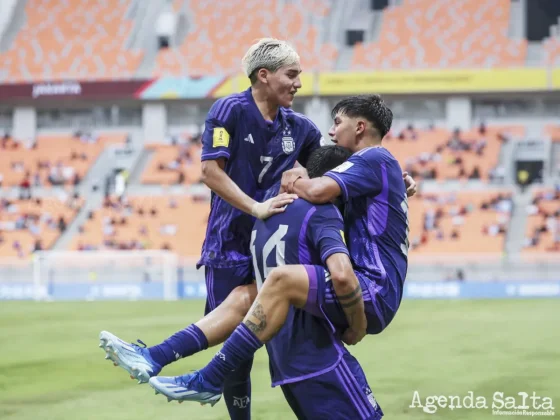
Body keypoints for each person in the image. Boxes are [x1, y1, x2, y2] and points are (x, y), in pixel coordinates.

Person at [99, 60, 416, 416]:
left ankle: (210, 377)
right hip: (357, 293)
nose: (330, 132)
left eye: (337, 123)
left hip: (372, 288)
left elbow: (317, 188)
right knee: (248, 295)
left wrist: (291, 179)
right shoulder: (374, 168)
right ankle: (154, 356)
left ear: (360, 127)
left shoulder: (374, 158)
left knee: (277, 281)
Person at [149, 145, 383, 419]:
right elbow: (342, 275)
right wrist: (358, 325)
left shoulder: (268, 215)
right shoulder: (322, 212)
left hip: (283, 360)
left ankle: (169, 360)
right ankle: (207, 375)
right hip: (319, 354)